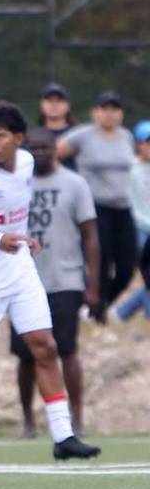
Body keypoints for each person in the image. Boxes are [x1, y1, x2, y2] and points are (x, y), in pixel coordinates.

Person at [0, 102, 100, 460]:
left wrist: (22, 236)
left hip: (21, 268)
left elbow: (15, 211)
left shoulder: (26, 163)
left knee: (46, 346)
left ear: (18, 138)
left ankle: (63, 437)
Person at [12, 128, 100, 438]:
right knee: (25, 356)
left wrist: (92, 286)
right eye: (33, 148)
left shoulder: (75, 184)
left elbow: (90, 237)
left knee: (67, 350)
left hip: (65, 279)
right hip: (22, 280)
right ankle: (28, 421)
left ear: (56, 149)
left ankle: (76, 418)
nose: (40, 153)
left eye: (46, 147)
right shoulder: (15, 183)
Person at [58, 91, 136, 322]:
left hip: (123, 208)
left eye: (114, 109)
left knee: (126, 267)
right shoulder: (83, 135)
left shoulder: (126, 137)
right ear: (95, 112)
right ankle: (96, 313)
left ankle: (96, 304)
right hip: (95, 207)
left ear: (120, 113)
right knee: (100, 263)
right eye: (105, 109)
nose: (109, 114)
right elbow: (53, 154)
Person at [116, 121, 150, 321]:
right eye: (146, 141)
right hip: (139, 229)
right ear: (138, 144)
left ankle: (121, 313)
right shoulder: (130, 168)